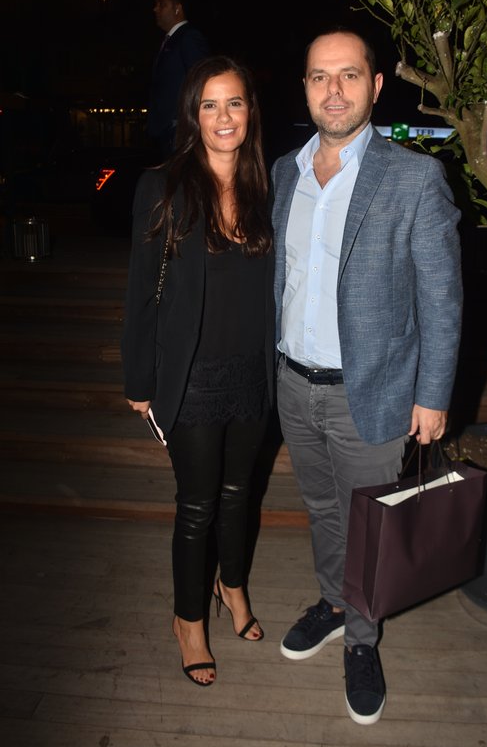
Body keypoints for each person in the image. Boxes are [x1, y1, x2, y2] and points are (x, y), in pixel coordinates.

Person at [271, 27, 463, 725]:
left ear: (376, 86)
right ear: (304, 87)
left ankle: (361, 638)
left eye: (349, 75)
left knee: (370, 527)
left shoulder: (413, 177)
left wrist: (432, 396)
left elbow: (442, 299)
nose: (334, 90)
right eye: (319, 76)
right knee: (323, 511)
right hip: (294, 385)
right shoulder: (284, 172)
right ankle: (333, 603)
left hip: (372, 393)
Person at [122, 55, 275, 687]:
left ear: (249, 111)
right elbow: (141, 291)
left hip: (252, 373)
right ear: (193, 114)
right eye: (209, 105)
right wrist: (139, 381)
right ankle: (188, 621)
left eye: (234, 102)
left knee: (240, 495)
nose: (223, 116)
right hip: (191, 377)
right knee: (197, 506)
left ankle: (231, 585)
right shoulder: (163, 186)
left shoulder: (268, 185)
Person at [147, 0, 210, 159]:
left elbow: (201, 80)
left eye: (161, 4)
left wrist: (184, 122)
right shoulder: (170, 40)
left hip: (180, 131)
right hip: (168, 131)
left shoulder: (188, 37)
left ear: (177, 8)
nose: (155, 9)